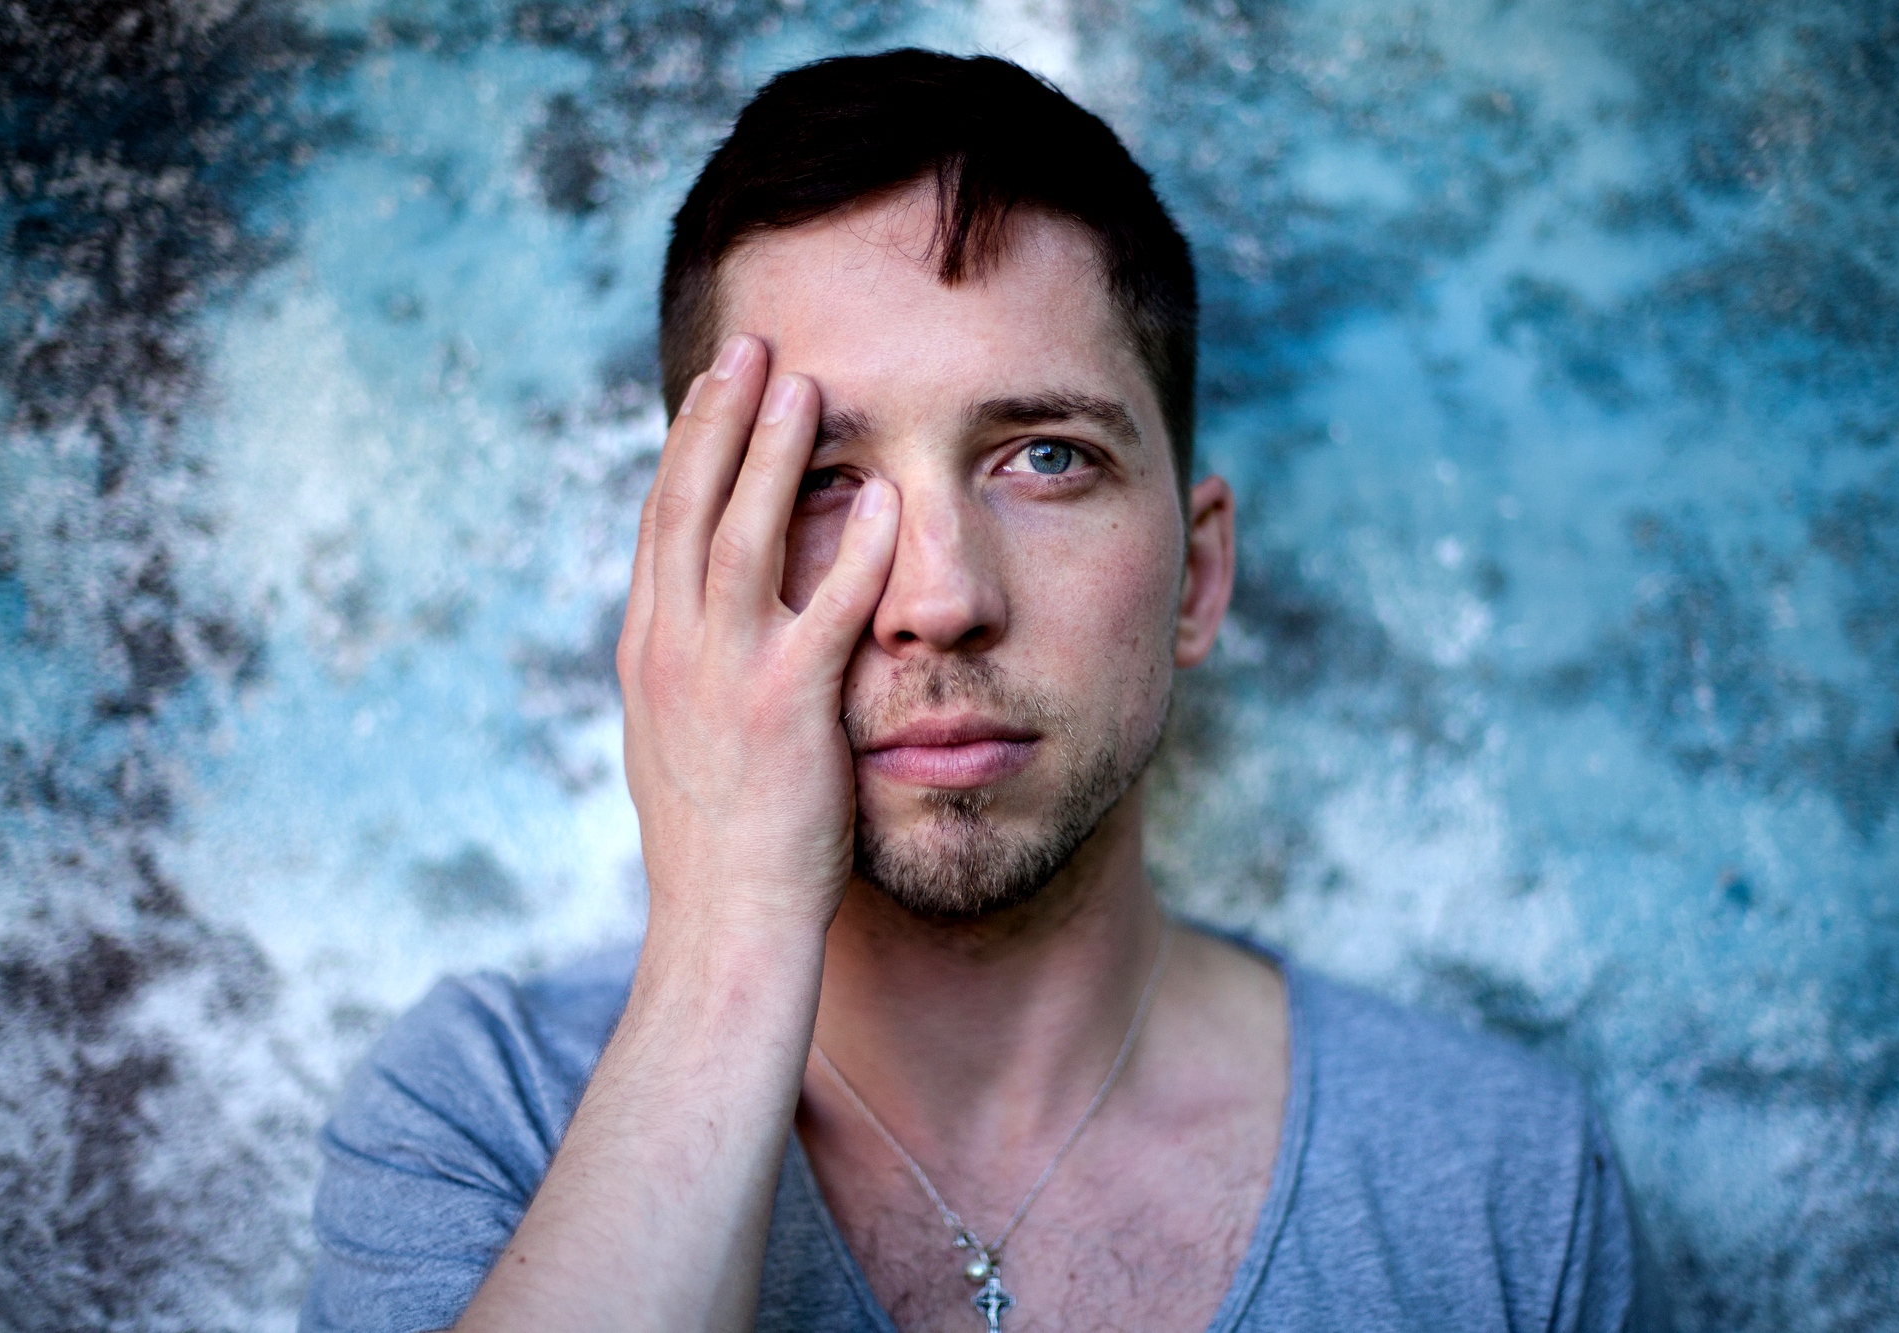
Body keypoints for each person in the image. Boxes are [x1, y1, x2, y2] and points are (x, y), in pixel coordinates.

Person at [303, 48, 1651, 1333]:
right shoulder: (486, 1117)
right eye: (820, 476)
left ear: (1198, 576)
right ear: (683, 575)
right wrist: (730, 928)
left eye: (1045, 458)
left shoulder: (1500, 1184)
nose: (939, 597)